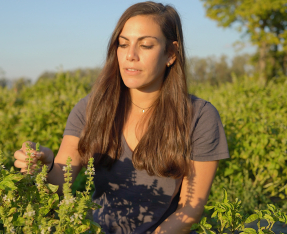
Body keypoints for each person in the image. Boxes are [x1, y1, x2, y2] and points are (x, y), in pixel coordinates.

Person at [14, 1, 230, 233]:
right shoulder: (91, 108)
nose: (130, 56)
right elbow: (60, 183)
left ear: (171, 53)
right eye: (123, 44)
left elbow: (190, 209)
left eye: (146, 45)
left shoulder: (200, 116)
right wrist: (44, 167)